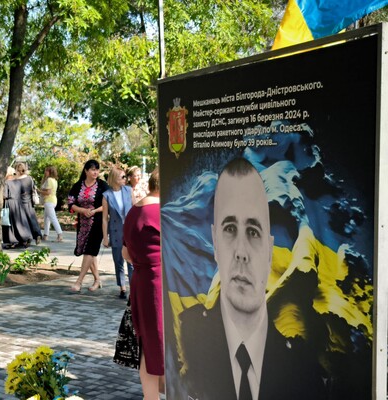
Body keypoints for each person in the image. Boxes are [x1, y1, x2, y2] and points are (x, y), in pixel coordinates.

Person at [178, 157, 325, 400]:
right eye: (230, 229)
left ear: (269, 250)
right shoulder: (187, 339)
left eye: (253, 232)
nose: (241, 252)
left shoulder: (303, 372)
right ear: (215, 242)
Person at [122, 168, 163, 400]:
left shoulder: (134, 212)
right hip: (158, 283)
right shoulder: (160, 212)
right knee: (160, 340)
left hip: (141, 281)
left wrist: (143, 262)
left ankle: (151, 396)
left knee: (147, 343)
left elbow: (125, 252)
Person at [67, 159, 109, 292]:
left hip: (98, 222)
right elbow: (70, 203)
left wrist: (95, 211)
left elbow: (109, 203)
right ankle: (97, 280)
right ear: (86, 170)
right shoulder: (78, 185)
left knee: (90, 250)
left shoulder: (103, 185)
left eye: (97, 169)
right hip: (83, 223)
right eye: (92, 169)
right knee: (88, 251)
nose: (95, 172)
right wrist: (82, 211)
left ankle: (79, 282)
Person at [102, 166, 134, 299]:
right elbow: (104, 218)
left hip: (130, 231)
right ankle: (122, 287)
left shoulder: (128, 190)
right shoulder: (106, 196)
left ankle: (134, 288)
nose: (125, 179)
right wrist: (105, 237)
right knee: (118, 260)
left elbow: (135, 209)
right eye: (122, 177)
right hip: (115, 232)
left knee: (131, 261)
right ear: (115, 179)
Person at [3, 163, 42, 247]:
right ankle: (37, 234)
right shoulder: (29, 178)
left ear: (17, 170)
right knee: (32, 219)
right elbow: (33, 189)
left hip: (21, 202)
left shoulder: (16, 180)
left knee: (23, 222)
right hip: (29, 201)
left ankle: (24, 238)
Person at [39, 166, 64, 242]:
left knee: (53, 218)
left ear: (50, 172)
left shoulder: (49, 180)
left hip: (49, 201)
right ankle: (45, 235)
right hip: (52, 200)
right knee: (47, 218)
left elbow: (48, 192)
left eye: (46, 171)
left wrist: (39, 191)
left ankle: (60, 235)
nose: (45, 172)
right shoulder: (54, 180)